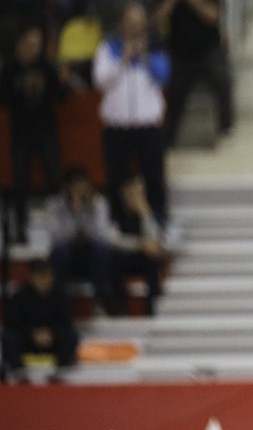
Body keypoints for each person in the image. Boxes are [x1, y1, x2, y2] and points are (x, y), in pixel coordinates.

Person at [93, 1, 170, 225]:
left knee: (153, 176)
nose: (136, 27)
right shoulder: (108, 49)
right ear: (122, 24)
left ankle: (158, 219)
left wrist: (144, 56)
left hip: (148, 126)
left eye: (139, 22)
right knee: (116, 177)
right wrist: (123, 60)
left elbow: (163, 76)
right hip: (117, 127)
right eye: (131, 22)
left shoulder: (156, 48)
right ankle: (119, 221)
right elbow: (100, 80)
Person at [0, 24, 64, 244]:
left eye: (38, 45)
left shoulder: (46, 67)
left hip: (46, 130)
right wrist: (22, 88)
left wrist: (59, 78)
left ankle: (59, 225)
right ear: (20, 44)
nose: (34, 49)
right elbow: (5, 99)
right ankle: (20, 226)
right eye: (30, 44)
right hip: (21, 133)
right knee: (20, 182)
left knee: (53, 178)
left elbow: (61, 96)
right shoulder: (10, 70)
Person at [156, 0, 235, 146]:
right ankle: (169, 138)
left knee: (222, 79)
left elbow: (214, 16)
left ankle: (226, 127)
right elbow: (157, 20)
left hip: (208, 50)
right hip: (180, 53)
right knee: (174, 94)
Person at [47, 167, 120, 316]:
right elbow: (57, 236)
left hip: (89, 254)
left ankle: (98, 303)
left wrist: (87, 211)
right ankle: (61, 306)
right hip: (67, 255)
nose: (80, 191)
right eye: (75, 187)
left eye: (83, 186)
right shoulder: (54, 205)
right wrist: (75, 211)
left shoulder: (98, 202)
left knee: (101, 250)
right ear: (67, 187)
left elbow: (101, 234)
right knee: (60, 252)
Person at [2, 258, 80, 385]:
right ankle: (19, 374)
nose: (44, 280)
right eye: (40, 276)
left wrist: (51, 333)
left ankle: (59, 373)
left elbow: (66, 323)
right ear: (31, 277)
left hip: (52, 340)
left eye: (47, 275)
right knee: (8, 337)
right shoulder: (19, 296)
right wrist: (33, 334)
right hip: (27, 340)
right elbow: (12, 323)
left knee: (71, 336)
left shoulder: (60, 296)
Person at [113, 176, 166, 316]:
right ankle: (120, 307)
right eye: (130, 193)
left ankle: (151, 306)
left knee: (153, 258)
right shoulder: (115, 213)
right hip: (121, 256)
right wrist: (139, 243)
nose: (134, 197)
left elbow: (155, 238)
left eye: (137, 193)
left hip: (141, 257)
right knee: (111, 259)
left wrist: (145, 213)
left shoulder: (148, 213)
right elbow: (112, 239)